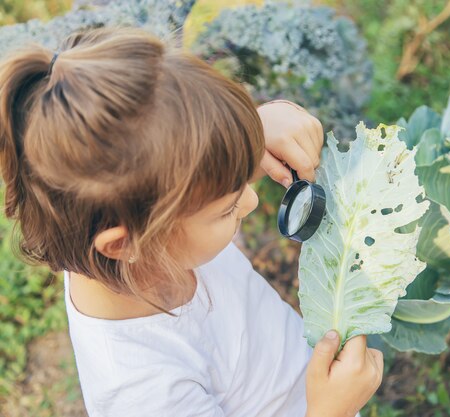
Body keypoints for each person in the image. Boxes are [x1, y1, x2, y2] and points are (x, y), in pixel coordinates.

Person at [0, 27, 383, 417]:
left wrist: (254, 130)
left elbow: (191, 185)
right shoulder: (142, 392)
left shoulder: (132, 233)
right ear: (125, 243)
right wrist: (330, 410)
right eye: (226, 208)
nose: (250, 201)